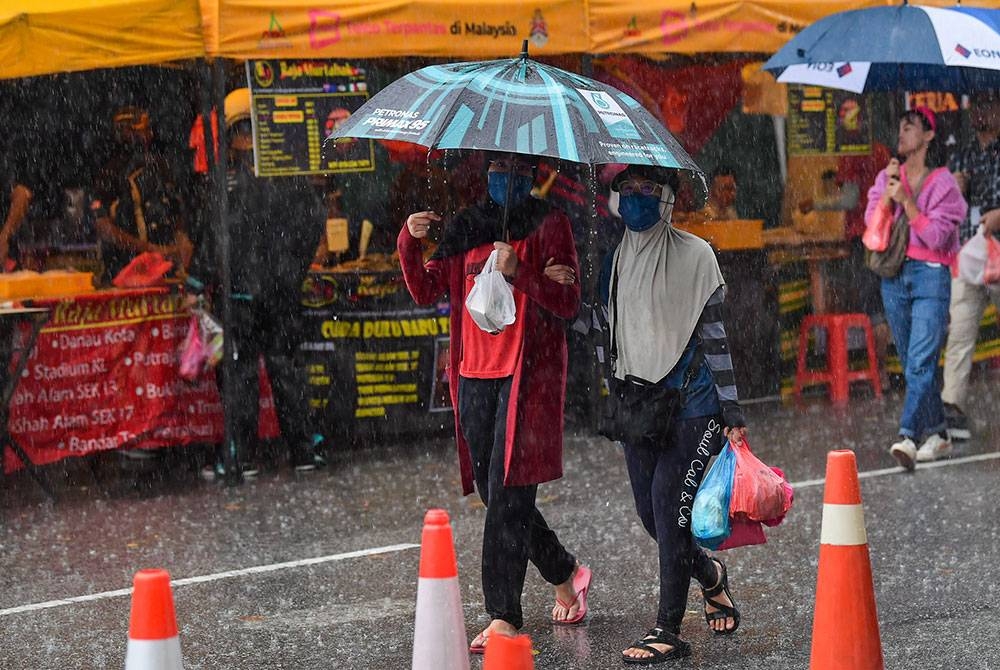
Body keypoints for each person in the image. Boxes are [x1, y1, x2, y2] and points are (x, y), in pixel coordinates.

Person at [398, 154, 590, 652]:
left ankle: (503, 614)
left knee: (508, 490)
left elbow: (568, 303)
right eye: (496, 169)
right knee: (495, 489)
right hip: (473, 377)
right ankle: (564, 568)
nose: (505, 178)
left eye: (515, 170)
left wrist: (521, 270)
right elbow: (425, 289)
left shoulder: (551, 226)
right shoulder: (466, 226)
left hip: (528, 380)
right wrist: (408, 240)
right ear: (485, 175)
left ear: (531, 175)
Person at [558, 164, 746, 664]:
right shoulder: (614, 260)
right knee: (652, 516)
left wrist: (731, 409)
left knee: (667, 502)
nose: (636, 198)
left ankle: (667, 628)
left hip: (693, 405)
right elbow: (600, 331)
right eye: (627, 190)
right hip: (639, 407)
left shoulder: (696, 256)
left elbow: (714, 337)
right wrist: (549, 290)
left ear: (667, 200)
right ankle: (710, 576)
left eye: (648, 190)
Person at [185, 88, 326, 478]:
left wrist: (197, 283)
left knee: (241, 375)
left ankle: (241, 458)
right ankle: (303, 452)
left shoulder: (230, 186)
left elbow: (215, 238)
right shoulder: (294, 178)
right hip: (279, 294)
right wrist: (292, 271)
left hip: (244, 297)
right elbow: (314, 225)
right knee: (286, 371)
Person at [864, 108, 967, 470]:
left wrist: (908, 203)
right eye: (900, 125)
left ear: (928, 136)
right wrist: (889, 196)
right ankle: (938, 433)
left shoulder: (943, 183)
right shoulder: (886, 177)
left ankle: (908, 435)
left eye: (911, 127)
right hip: (893, 275)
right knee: (912, 363)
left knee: (921, 360)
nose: (902, 132)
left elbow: (937, 236)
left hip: (930, 275)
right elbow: (872, 229)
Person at [941, 91, 1000, 441]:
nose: (981, 111)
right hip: (968, 251)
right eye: (977, 104)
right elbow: (947, 205)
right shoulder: (961, 154)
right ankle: (953, 407)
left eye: (989, 104)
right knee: (960, 330)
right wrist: (955, 188)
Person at [94, 106, 193, 284]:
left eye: (148, 130)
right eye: (141, 130)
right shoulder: (109, 172)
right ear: (124, 132)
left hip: (164, 272)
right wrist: (148, 249)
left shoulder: (161, 166)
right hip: (124, 273)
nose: (148, 135)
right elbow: (103, 227)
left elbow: (176, 211)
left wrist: (182, 242)